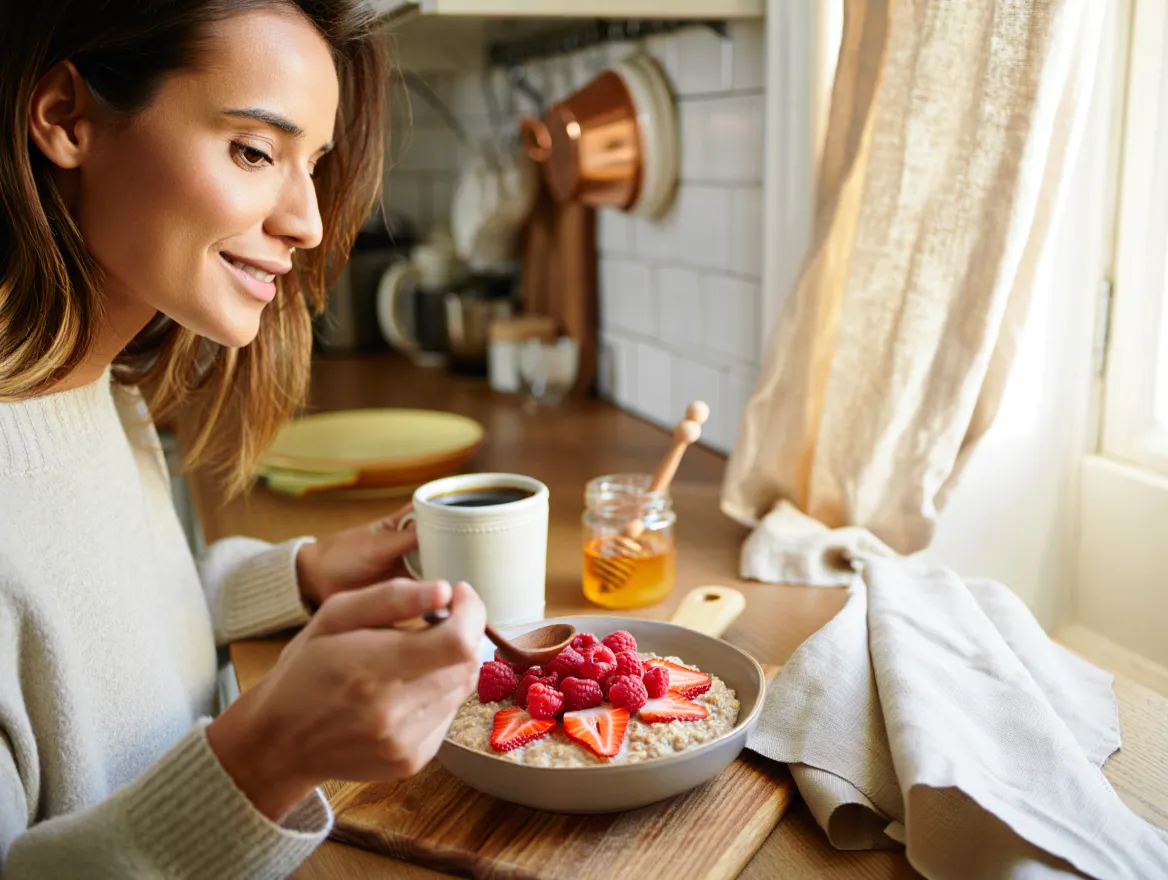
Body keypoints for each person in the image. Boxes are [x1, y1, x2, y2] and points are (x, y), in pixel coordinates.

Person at [0, 1, 488, 876]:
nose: (306, 219)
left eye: (315, 165)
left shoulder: (95, 391)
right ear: (66, 120)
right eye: (256, 152)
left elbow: (104, 630)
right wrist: (266, 760)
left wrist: (296, 575)